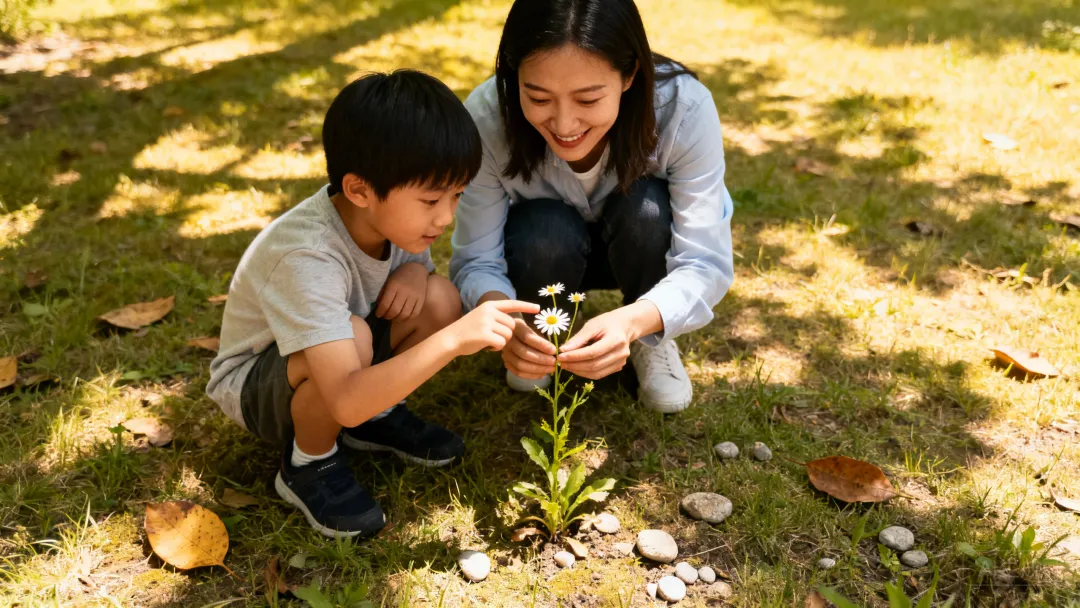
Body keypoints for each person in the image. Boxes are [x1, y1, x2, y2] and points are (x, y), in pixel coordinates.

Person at [206, 70, 538, 538]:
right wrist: (454, 341)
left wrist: (415, 270)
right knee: (362, 340)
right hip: (259, 388)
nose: (446, 216)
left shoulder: (394, 220)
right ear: (360, 190)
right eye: (431, 199)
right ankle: (308, 462)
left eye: (456, 195)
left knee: (438, 298)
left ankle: (374, 419)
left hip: (342, 353)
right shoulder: (306, 256)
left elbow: (419, 270)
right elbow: (342, 396)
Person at [450, 0, 734, 413]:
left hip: (643, 243)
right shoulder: (486, 118)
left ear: (630, 74)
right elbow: (476, 259)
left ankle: (651, 340)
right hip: (543, 253)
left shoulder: (683, 110)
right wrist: (508, 323)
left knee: (647, 209)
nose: (564, 125)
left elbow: (704, 262)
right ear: (513, 79)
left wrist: (636, 321)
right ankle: (540, 336)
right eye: (538, 97)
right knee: (542, 227)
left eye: (587, 99)